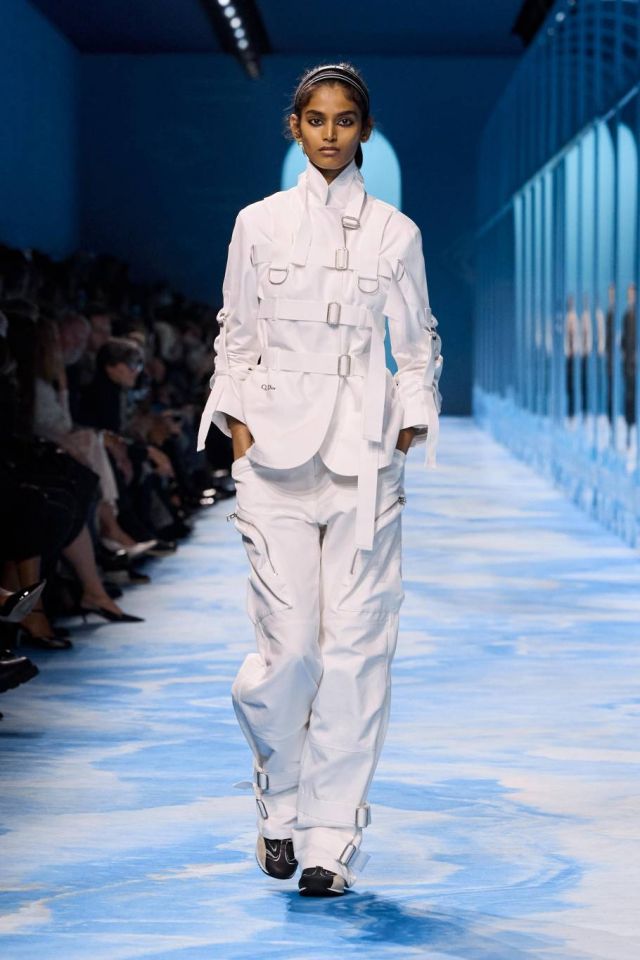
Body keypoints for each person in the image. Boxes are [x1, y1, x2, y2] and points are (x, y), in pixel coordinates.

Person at [198, 63, 443, 897]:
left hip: (365, 465)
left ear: (363, 129)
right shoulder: (258, 223)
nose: (330, 133)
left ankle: (329, 842)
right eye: (315, 118)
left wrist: (406, 426)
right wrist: (238, 432)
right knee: (290, 650)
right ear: (295, 126)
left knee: (356, 653)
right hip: (271, 459)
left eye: (344, 120)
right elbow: (236, 334)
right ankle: (280, 797)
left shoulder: (395, 234)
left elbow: (417, 343)